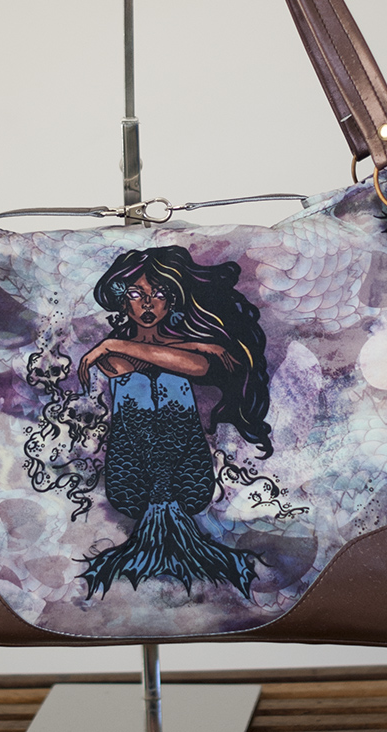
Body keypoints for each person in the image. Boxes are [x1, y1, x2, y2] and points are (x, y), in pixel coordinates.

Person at [77, 245, 272, 598]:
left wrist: (111, 344)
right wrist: (198, 347)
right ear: (122, 301)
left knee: (166, 381)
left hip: (188, 466)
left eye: (158, 294)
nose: (147, 305)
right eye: (135, 294)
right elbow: (130, 368)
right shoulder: (119, 355)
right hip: (132, 469)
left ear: (172, 301)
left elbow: (194, 367)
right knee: (149, 384)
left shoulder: (113, 349)